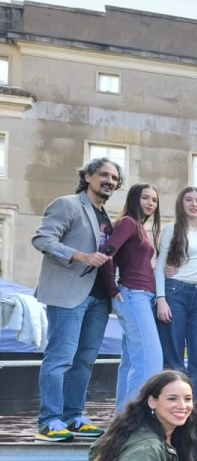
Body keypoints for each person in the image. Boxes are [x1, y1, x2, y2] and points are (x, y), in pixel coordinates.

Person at [32, 156, 119, 442]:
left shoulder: (106, 216)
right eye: (104, 174)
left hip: (99, 300)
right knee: (60, 359)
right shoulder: (67, 204)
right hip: (68, 295)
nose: (110, 181)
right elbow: (43, 240)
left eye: (115, 178)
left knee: (85, 361)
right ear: (88, 177)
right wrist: (80, 256)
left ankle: (74, 416)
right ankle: (49, 421)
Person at [103, 183, 164, 408]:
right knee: (150, 362)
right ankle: (137, 420)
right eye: (145, 198)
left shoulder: (138, 226)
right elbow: (106, 254)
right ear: (134, 199)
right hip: (133, 294)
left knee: (132, 363)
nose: (150, 203)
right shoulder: (128, 223)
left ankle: (122, 419)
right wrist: (113, 289)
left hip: (143, 297)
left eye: (154, 200)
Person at [155, 187, 197, 391]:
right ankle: (174, 405)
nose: (194, 204)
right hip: (175, 292)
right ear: (181, 203)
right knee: (173, 356)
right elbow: (161, 264)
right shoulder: (171, 229)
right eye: (189, 200)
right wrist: (160, 298)